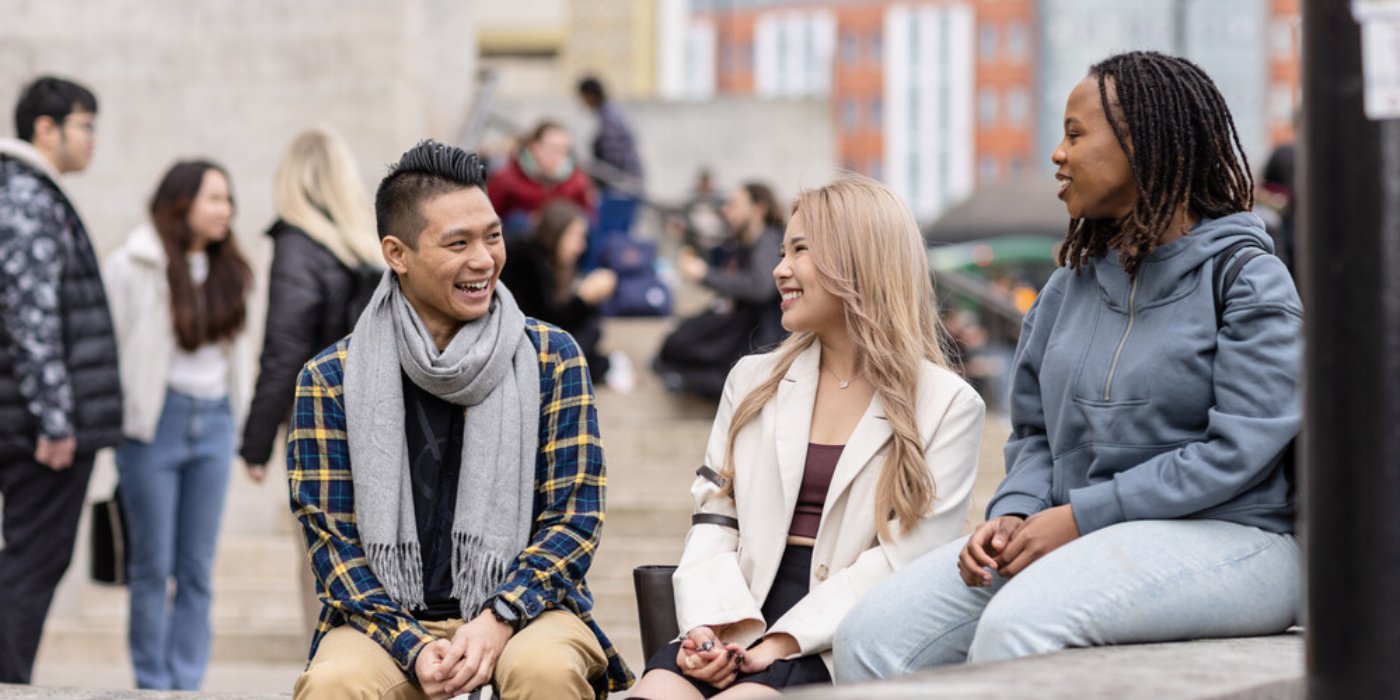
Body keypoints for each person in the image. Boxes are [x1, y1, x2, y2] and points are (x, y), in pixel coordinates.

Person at [834, 51, 1302, 678]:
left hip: (1238, 538)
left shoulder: (1246, 279)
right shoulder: (1068, 286)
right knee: (871, 635)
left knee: (1021, 626)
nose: (1058, 153)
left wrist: (1081, 517)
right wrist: (1014, 515)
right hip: (1079, 531)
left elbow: (1237, 453)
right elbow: (1034, 434)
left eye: (1076, 134)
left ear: (1145, 143)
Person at [289, 140, 632, 699]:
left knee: (544, 671)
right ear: (397, 254)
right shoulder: (331, 378)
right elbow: (333, 546)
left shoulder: (551, 357)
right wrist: (413, 646)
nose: (484, 259)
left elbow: (575, 518)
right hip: (384, 622)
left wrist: (498, 617)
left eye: (492, 236)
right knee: (334, 684)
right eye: (458, 243)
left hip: (529, 610)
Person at [628, 176, 985, 699]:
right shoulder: (751, 380)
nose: (779, 270)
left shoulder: (948, 405)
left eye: (800, 251)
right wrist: (709, 627)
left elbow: (902, 564)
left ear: (858, 261)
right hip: (732, 609)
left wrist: (782, 641)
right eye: (781, 251)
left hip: (836, 638)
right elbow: (714, 517)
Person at [103, 159, 253, 689]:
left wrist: (243, 429)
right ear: (181, 202)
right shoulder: (134, 264)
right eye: (214, 198)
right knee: (151, 566)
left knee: (195, 568)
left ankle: (187, 683)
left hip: (213, 422)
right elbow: (109, 348)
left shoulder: (231, 268)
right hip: (154, 425)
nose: (225, 211)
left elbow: (240, 358)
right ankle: (152, 682)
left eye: (228, 200)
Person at [239, 126, 385, 638]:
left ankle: (328, 674)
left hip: (318, 426)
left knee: (323, 560)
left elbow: (284, 351)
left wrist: (254, 445)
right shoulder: (369, 252)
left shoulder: (298, 246)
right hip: (380, 420)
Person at [0, 75, 120, 684]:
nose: (93, 139)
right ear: (45, 128)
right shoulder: (24, 195)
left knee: (28, 565)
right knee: (30, 566)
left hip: (27, 418)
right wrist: (55, 420)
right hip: (35, 430)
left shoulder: (29, 193)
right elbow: (31, 316)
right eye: (85, 125)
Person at [654, 182, 787, 399]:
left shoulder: (769, 240)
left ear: (758, 209)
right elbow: (716, 256)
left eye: (734, 205)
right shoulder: (745, 243)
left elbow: (760, 286)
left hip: (759, 340)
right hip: (741, 332)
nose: (726, 211)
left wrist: (705, 274)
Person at [498, 198, 621, 387]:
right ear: (556, 233)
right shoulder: (526, 260)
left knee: (592, 333)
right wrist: (584, 298)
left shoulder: (544, 261)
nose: (581, 246)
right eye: (575, 237)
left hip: (532, 353)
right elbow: (543, 325)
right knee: (591, 333)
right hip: (520, 355)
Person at [577, 76, 644, 270]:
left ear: (590, 95)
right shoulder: (611, 115)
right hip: (625, 187)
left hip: (621, 189)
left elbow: (613, 162)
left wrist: (592, 172)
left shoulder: (610, 119)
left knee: (607, 241)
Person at [486, 120, 594, 238]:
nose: (558, 155)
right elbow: (488, 215)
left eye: (564, 150)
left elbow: (589, 214)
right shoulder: (507, 178)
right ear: (535, 147)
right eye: (553, 148)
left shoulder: (577, 181)